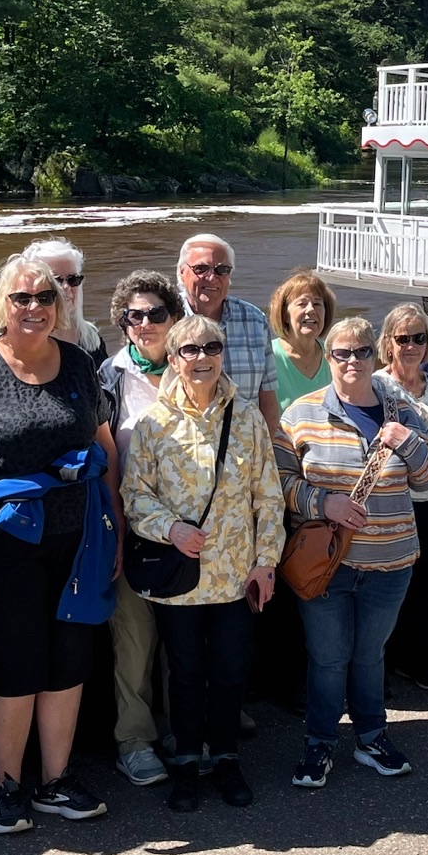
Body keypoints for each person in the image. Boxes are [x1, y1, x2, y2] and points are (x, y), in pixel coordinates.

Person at [0, 256, 116, 835]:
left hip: (78, 539)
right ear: (1, 305)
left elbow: (103, 449)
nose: (34, 308)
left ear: (59, 305)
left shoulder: (82, 365)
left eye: (45, 297)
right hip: (2, 546)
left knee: (68, 660)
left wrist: (115, 531)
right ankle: (6, 786)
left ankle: (54, 781)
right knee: (15, 663)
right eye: (22, 298)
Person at [121, 312, 286, 812]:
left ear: (222, 356)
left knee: (231, 670)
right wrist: (171, 529)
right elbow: (135, 495)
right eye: (189, 350)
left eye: (210, 348)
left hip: (237, 575)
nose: (201, 358)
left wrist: (266, 562)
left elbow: (269, 497)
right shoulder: (153, 424)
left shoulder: (248, 418)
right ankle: (189, 760)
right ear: (172, 359)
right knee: (186, 672)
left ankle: (227, 757)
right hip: (181, 576)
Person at [277, 316, 428, 787]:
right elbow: (282, 483)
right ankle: (320, 743)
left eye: (362, 351)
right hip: (326, 564)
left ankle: (371, 737)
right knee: (328, 658)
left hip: (390, 561)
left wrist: (407, 443)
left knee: (370, 655)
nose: (352, 361)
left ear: (378, 354)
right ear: (328, 358)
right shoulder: (301, 413)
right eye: (341, 353)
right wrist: (323, 501)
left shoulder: (402, 412)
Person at [96, 269, 186, 789]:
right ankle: (134, 740)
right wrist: (114, 526)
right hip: (131, 525)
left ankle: (182, 729)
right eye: (136, 316)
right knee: (134, 638)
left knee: (183, 638)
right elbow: (106, 457)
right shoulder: (109, 377)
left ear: (173, 319)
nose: (147, 323)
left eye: (157, 313)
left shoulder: (193, 366)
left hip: (189, 526)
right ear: (124, 324)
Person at [377, 302, 428, 691]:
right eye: (403, 338)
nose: (411, 346)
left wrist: (417, 441)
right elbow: (385, 445)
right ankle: (384, 662)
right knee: (391, 578)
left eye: (419, 338)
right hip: (393, 498)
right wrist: (427, 440)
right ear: (389, 343)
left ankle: (417, 658)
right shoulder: (378, 386)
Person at [177, 233, 281, 434]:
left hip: (243, 453)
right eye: (201, 268)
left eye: (222, 270)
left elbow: (267, 399)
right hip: (182, 454)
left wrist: (264, 452)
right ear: (182, 272)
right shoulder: (164, 320)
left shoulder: (255, 321)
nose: (212, 277)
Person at [23, 238, 105, 365]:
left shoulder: (90, 339)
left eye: (73, 279)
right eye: (56, 280)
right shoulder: (12, 342)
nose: (66, 287)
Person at [269, 268, 336, 410]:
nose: (311, 310)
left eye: (317, 304)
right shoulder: (267, 356)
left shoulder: (335, 355)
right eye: (302, 304)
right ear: (285, 314)